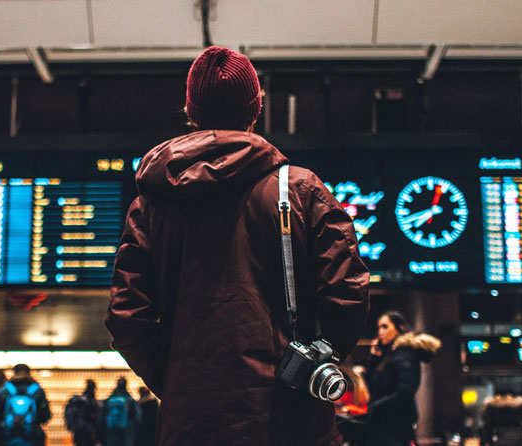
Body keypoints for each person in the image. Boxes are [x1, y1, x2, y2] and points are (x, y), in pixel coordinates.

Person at [104, 45, 370, 445]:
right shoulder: (299, 190)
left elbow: (127, 318)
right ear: (255, 108)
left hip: (190, 429)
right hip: (291, 424)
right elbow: (347, 292)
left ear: (191, 110)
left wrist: (181, 387)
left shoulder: (152, 203)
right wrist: (310, 364)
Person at [365, 311, 441, 446]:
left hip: (396, 424)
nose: (380, 332)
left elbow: (405, 391)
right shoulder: (389, 355)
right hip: (386, 423)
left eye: (385, 326)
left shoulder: (403, 355)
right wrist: (374, 358)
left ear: (399, 328)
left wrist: (376, 407)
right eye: (379, 327)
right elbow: (372, 384)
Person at [0, 363, 51, 446]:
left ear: (14, 372)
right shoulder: (37, 390)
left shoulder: (5, 390)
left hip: (8, 437)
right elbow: (45, 415)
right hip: (32, 437)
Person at [101, 377, 141, 446]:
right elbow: (137, 418)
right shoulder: (131, 401)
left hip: (111, 431)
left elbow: (101, 418)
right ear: (126, 385)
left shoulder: (108, 400)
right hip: (126, 431)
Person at [65, 379, 100, 446]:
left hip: (78, 432)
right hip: (89, 433)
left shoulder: (77, 401)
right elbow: (95, 419)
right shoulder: (92, 403)